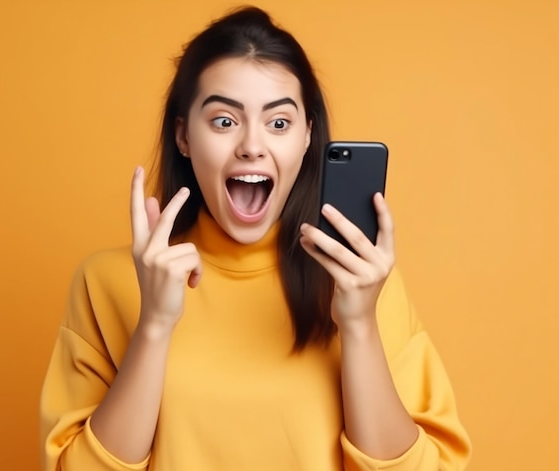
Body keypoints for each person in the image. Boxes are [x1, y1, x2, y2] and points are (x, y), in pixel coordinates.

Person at [40, 6, 471, 471]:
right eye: (224, 121)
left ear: (308, 136)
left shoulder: (361, 282)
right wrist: (155, 326)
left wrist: (360, 324)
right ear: (184, 136)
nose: (251, 144)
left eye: (279, 122)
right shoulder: (106, 282)